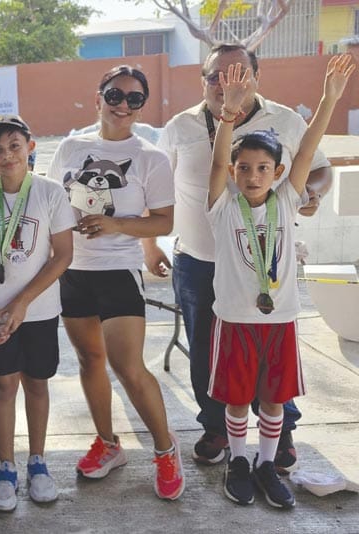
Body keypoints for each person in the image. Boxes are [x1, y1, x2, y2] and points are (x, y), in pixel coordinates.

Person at [145, 43, 332, 472]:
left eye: (237, 76)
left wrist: (312, 194)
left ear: (256, 78)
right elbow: (154, 191)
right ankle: (216, 427)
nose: (225, 84)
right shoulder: (179, 126)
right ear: (203, 79)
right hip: (197, 262)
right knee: (207, 352)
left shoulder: (284, 120)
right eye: (215, 76)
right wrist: (149, 244)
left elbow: (315, 166)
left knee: (270, 356)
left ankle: (280, 434)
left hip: (262, 268)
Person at [207, 55, 353, 508]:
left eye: (263, 168)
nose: (252, 176)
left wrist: (329, 99)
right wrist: (229, 115)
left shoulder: (287, 201)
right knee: (236, 401)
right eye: (244, 168)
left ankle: (266, 464)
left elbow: (307, 149)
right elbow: (215, 166)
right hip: (235, 320)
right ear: (234, 173)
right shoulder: (224, 208)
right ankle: (238, 461)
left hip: (281, 320)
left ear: (279, 173)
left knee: (273, 401)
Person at [46, 66, 185, 501]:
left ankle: (165, 450)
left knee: (128, 367)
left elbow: (164, 220)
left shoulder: (151, 156)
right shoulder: (70, 147)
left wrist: (115, 225)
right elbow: (50, 204)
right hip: (72, 271)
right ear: (99, 95)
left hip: (118, 273)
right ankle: (108, 444)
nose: (123, 104)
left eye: (134, 98)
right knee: (90, 361)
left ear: (143, 104)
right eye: (115, 94)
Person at [0, 114, 75, 511]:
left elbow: (63, 256)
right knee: (4, 385)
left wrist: (22, 303)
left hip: (38, 312)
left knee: (37, 384)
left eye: (14, 145)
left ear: (30, 146)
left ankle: (37, 463)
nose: (6, 155)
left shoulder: (50, 193)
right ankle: (7, 467)